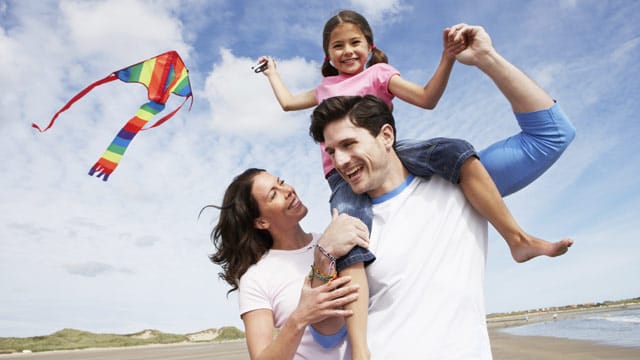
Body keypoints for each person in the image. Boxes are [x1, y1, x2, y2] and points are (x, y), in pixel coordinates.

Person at [256, 10, 575, 358]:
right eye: (332, 150)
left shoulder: (461, 184)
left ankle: (519, 239)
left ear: (386, 134)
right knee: (352, 251)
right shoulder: (344, 230)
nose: (341, 159)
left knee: (456, 150)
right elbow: (329, 334)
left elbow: (552, 135)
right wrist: (324, 258)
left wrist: (484, 58)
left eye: (350, 144)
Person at [208, 168, 370, 359]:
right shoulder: (255, 278)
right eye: (273, 194)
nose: (288, 191)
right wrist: (300, 317)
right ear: (261, 222)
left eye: (281, 182)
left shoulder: (334, 239)